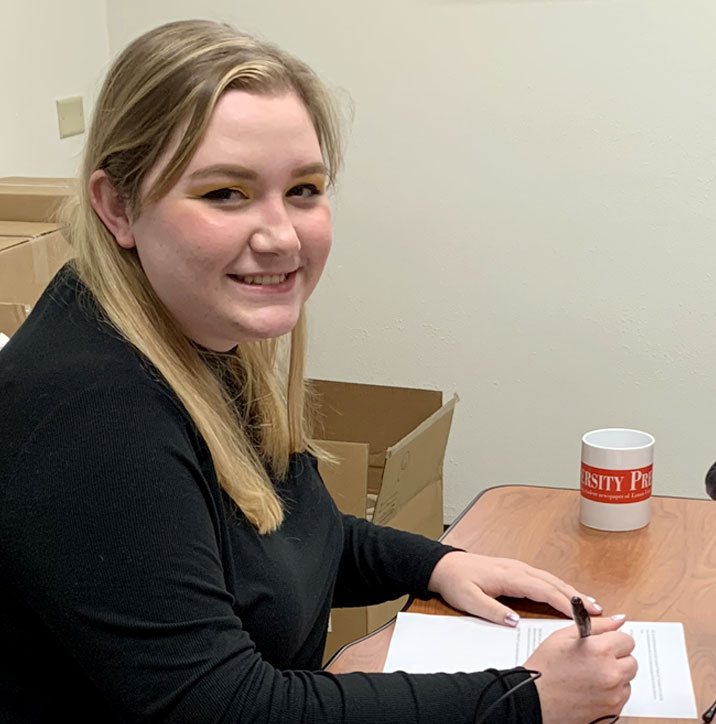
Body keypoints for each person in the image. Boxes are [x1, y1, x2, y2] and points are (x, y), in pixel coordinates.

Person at [0, 20, 636, 723]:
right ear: (119, 207)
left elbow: (288, 538)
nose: (280, 235)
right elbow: (227, 709)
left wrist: (433, 564)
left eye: (303, 189)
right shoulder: (91, 411)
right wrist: (527, 699)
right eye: (225, 194)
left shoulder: (190, 331)